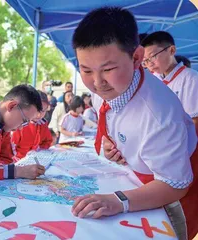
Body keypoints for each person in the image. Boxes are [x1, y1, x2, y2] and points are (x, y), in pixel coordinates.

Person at [71, 7, 198, 239]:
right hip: (135, 176)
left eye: (108, 69)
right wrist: (109, 146)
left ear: (137, 57)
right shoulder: (108, 89)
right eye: (86, 69)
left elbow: (177, 184)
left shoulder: (159, 114)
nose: (97, 83)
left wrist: (118, 201)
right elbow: (110, 121)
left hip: (170, 190)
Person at [141, 31, 198, 131]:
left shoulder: (191, 79)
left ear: (172, 50)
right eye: (145, 61)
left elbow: (194, 122)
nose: (150, 64)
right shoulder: (151, 81)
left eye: (153, 56)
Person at [11, 90, 53, 160]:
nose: (39, 115)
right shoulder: (19, 124)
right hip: (19, 161)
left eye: (43, 111)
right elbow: (10, 148)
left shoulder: (43, 123)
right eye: (37, 110)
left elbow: (47, 141)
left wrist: (39, 151)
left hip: (36, 159)